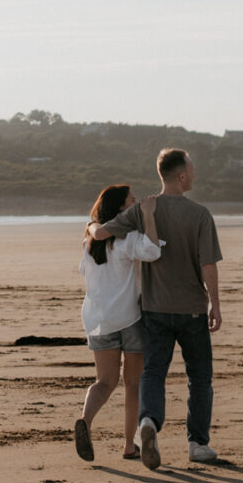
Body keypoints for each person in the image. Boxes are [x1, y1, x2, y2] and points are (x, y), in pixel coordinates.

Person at [96, 146, 223, 468]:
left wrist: (90, 229)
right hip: (192, 308)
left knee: (153, 373)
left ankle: (149, 422)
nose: (193, 174)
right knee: (199, 378)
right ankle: (197, 444)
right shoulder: (199, 215)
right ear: (181, 175)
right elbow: (208, 264)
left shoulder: (142, 210)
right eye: (191, 170)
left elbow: (103, 231)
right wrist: (216, 305)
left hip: (154, 309)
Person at [76, 182, 162, 463]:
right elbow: (152, 251)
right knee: (133, 383)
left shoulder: (91, 243)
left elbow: (85, 272)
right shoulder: (128, 239)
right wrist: (149, 216)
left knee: (104, 381)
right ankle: (128, 445)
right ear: (121, 208)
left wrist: (92, 228)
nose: (136, 204)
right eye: (132, 200)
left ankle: (86, 421)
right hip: (130, 319)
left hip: (98, 318)